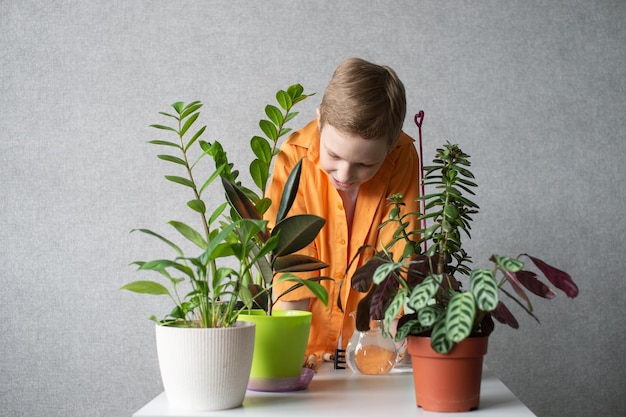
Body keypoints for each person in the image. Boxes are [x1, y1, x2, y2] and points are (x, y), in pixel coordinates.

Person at [265, 57, 420, 361]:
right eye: (334, 154)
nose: (345, 175)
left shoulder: (403, 155)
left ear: (390, 146)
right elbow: (291, 262)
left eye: (365, 164)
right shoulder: (292, 155)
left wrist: (390, 343)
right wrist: (288, 356)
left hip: (373, 347)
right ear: (320, 119)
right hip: (304, 347)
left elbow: (399, 250)